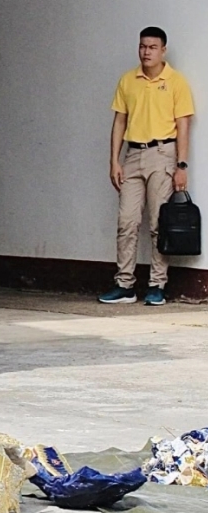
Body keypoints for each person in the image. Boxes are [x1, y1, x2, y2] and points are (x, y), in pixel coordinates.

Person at [99, 26, 194, 307]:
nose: (146, 52)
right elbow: (119, 121)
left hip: (163, 153)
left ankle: (157, 284)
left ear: (163, 50)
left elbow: (183, 125)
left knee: (157, 223)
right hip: (133, 155)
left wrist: (182, 165)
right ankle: (124, 283)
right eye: (142, 46)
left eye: (152, 47)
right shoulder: (128, 80)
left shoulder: (176, 82)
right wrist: (114, 160)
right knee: (127, 221)